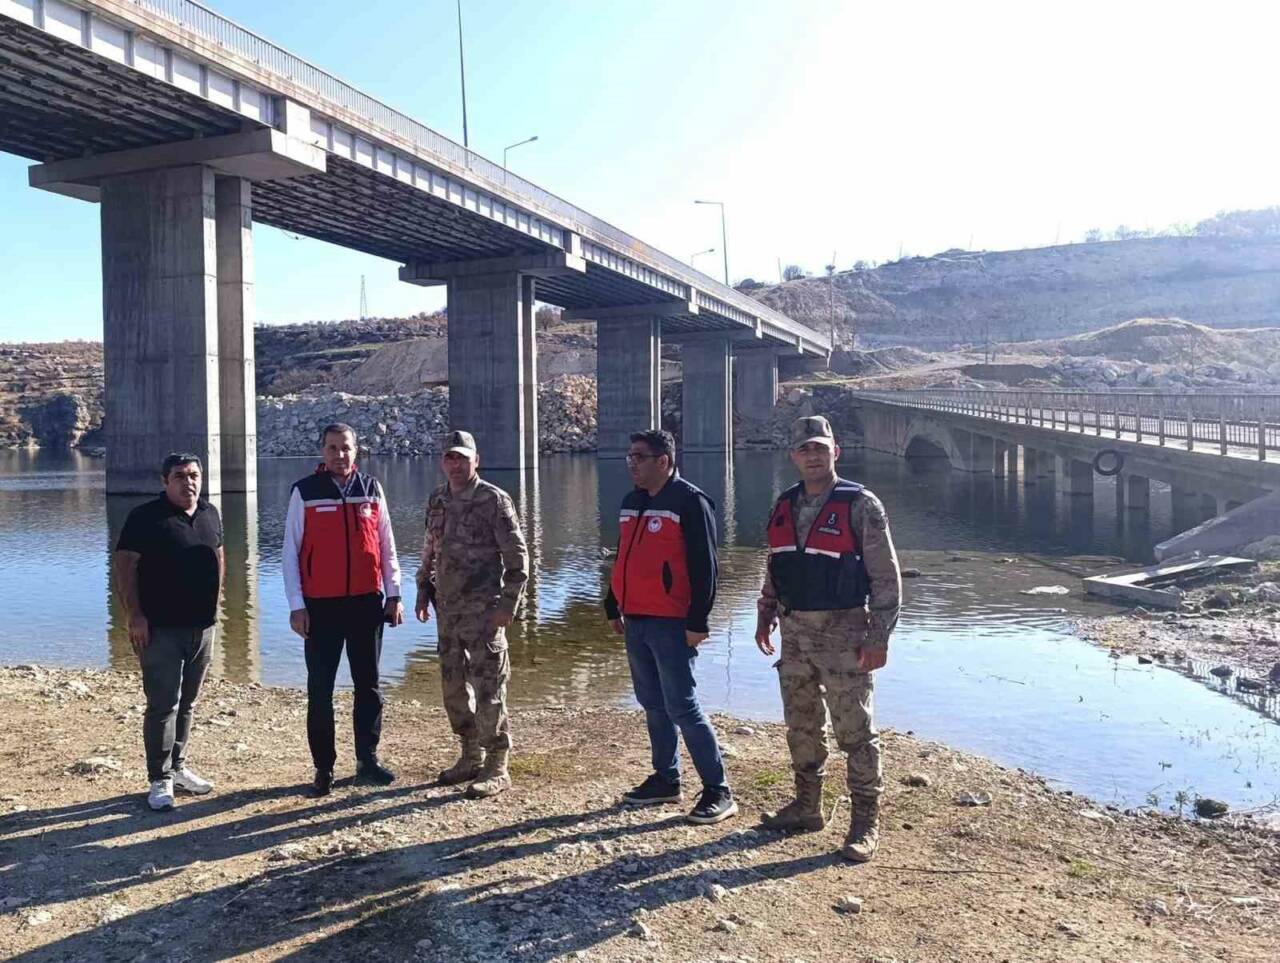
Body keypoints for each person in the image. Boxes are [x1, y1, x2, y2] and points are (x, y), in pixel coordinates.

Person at [755, 415, 902, 862]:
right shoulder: (783, 504)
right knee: (801, 726)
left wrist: (879, 637)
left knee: (855, 731)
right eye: (804, 449)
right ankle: (806, 806)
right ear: (794, 456)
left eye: (820, 448)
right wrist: (765, 615)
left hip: (845, 634)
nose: (813, 456)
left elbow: (886, 578)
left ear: (835, 452)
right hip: (795, 633)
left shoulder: (861, 505)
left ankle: (865, 822)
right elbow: (776, 566)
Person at [604, 429, 737, 825]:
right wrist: (613, 603)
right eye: (629, 456)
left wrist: (698, 620)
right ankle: (666, 778)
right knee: (653, 704)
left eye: (640, 457)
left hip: (672, 621)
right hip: (637, 618)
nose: (632, 463)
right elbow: (622, 557)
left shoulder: (690, 501)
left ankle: (718, 789)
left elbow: (705, 567)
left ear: (664, 461)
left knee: (682, 705)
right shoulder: (632, 502)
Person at [283, 423, 403, 797]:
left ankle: (367, 760)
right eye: (332, 448)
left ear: (357, 450)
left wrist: (394, 594)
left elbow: (386, 544)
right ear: (322, 451)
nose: (340, 455)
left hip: (367, 602)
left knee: (368, 686)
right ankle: (324, 768)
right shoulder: (305, 492)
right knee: (320, 689)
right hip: (320, 607)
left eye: (346, 448)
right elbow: (290, 553)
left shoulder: (371, 489)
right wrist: (296, 606)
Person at [415, 429, 528, 798]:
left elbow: (518, 559)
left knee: (489, 688)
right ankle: (470, 754)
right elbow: (430, 550)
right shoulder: (437, 500)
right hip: (447, 610)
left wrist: (508, 606)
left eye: (462, 457)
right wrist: (421, 590)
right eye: (450, 457)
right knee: (452, 687)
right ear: (442, 462)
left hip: (484, 613)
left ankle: (497, 764)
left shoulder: (493, 500)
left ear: (475, 461)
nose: (455, 464)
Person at [113, 453, 224, 812]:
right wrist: (136, 616)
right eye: (179, 476)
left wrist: (216, 607)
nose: (188, 482)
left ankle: (177, 768)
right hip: (160, 628)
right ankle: (158, 778)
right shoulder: (145, 517)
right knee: (163, 704)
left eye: (194, 475)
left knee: (188, 703)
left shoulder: (210, 514)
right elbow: (125, 567)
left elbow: (218, 558)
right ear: (165, 481)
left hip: (201, 628)